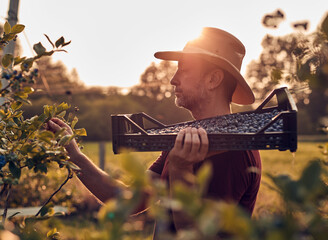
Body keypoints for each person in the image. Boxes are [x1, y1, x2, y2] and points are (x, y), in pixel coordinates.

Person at [46, 27, 261, 238]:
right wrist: (74, 155)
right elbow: (128, 200)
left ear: (213, 79)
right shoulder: (185, 139)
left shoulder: (234, 151)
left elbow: (195, 235)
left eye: (184, 70)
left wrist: (180, 169)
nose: (173, 79)